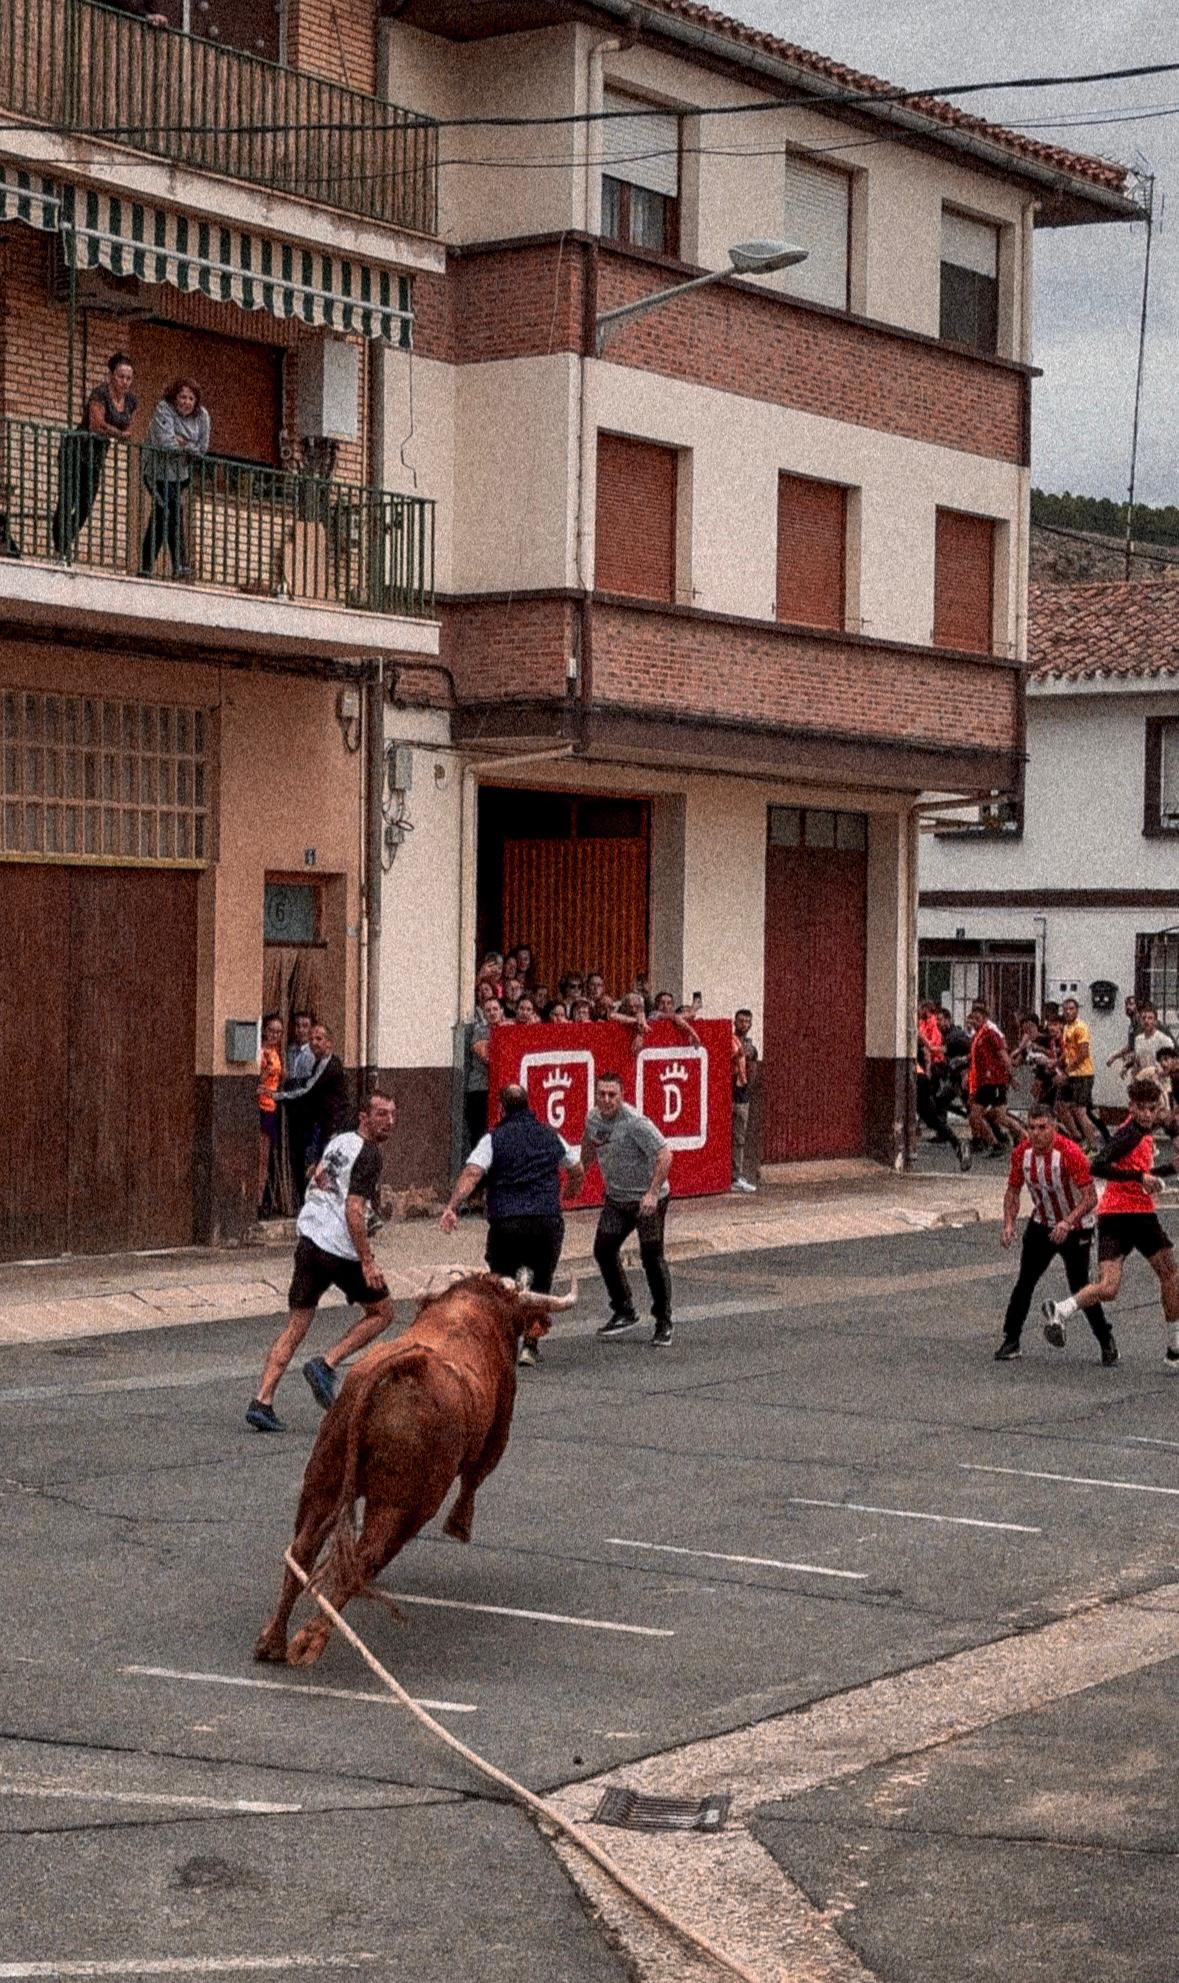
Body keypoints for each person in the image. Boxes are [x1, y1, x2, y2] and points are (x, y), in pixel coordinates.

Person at [246, 1090, 398, 1431]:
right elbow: (353, 1210)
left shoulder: (338, 1142)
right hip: (338, 1247)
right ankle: (327, 1363)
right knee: (384, 1312)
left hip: (309, 1239)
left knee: (297, 1324)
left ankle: (262, 1400)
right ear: (364, 1116)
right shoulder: (369, 1153)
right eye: (381, 1114)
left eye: (391, 1114)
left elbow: (321, 1178)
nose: (389, 1121)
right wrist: (367, 1262)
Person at [1042, 1077, 1179, 1366]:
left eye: (1151, 1109)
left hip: (1112, 1214)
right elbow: (1098, 1165)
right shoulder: (1129, 1133)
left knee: (1109, 1287)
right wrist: (1141, 1178)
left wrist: (1166, 1170)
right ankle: (1174, 1348)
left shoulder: (1141, 1131)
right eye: (1141, 1108)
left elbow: (1136, 1171)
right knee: (1170, 1275)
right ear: (1131, 1107)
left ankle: (1061, 1310)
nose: (1146, 1114)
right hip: (1136, 1213)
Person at [439, 1083, 576, 1368]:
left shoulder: (494, 1139)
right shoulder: (550, 1135)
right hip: (545, 1221)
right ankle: (531, 1345)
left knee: (500, 1281)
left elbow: (472, 1173)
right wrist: (571, 1191)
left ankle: (502, 1342)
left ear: (501, 1107)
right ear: (529, 1105)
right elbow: (576, 1167)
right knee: (542, 1283)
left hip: (507, 1223)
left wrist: (452, 1206)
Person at [994, 1102, 1114, 1364]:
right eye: (1031, 1128)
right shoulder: (1021, 1154)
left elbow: (1090, 1197)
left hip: (1076, 1225)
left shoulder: (1070, 1153)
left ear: (1054, 1127)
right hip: (1042, 1223)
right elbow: (1012, 1191)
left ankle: (1106, 1341)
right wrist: (1009, 1224)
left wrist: (1068, 1223)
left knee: (1079, 1285)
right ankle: (1011, 1339)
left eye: (1042, 1128)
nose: (1036, 1134)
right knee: (1025, 1281)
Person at [572, 1072, 674, 1346]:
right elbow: (588, 1144)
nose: (606, 1100)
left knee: (651, 1256)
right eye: (602, 1094)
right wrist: (580, 1174)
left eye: (612, 1095)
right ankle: (624, 1309)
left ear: (622, 1096)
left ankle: (663, 1320)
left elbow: (665, 1155)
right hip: (617, 1199)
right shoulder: (593, 1118)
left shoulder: (635, 1124)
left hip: (646, 1201)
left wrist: (652, 1193)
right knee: (603, 1250)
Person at [51, 352, 138, 559]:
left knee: (85, 504)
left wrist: (122, 432)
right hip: (75, 450)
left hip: (96, 457)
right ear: (111, 376)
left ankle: (64, 543)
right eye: (120, 376)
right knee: (68, 499)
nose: (124, 382)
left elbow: (129, 426)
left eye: (128, 378)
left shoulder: (131, 401)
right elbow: (95, 424)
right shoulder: (100, 394)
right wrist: (117, 433)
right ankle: (61, 547)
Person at [140, 379, 210, 577]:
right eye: (182, 397)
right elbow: (165, 443)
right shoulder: (164, 410)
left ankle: (146, 568)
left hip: (180, 477)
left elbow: (203, 449)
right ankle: (179, 564)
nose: (186, 402)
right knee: (172, 512)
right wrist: (188, 446)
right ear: (174, 397)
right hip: (157, 475)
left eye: (191, 398)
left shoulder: (202, 416)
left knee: (161, 518)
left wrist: (182, 443)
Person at [274, 1021, 349, 1177]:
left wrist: (276, 1095)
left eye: (319, 1039)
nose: (314, 1043)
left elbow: (307, 1089)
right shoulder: (320, 1063)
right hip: (322, 1124)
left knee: (324, 1169)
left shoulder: (332, 1066)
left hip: (332, 1126)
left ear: (329, 1043)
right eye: (312, 1039)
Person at [966, 1003, 1022, 1155]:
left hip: (995, 1081)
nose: (975, 1022)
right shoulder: (977, 1037)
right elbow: (976, 1060)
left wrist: (1011, 1076)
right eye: (973, 1019)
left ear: (985, 1019)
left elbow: (1003, 1055)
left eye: (978, 1019)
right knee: (976, 1115)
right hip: (984, 1082)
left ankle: (1022, 1136)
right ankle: (994, 1144)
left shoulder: (991, 1033)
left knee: (1000, 1116)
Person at [1057, 996, 1102, 1151]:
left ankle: (1093, 1146)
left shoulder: (1080, 1027)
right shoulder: (1066, 1028)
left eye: (1071, 1009)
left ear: (1077, 1010)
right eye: (1066, 1009)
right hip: (1071, 1074)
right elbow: (1069, 1051)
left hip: (1082, 1074)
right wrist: (1057, 1063)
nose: (1068, 1012)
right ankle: (1076, 1138)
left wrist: (1067, 1071)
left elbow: (1083, 1053)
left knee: (1080, 1111)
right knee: (1061, 1106)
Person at [257, 1013, 283, 1217]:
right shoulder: (262, 1053)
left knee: (266, 1156)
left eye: (278, 1032)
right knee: (260, 1155)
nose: (274, 1035)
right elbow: (260, 1080)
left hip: (271, 1107)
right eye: (271, 1031)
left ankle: (261, 1198)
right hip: (262, 1106)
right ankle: (257, 1200)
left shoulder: (275, 1053)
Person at [731, 1007, 760, 1192]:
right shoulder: (728, 1042)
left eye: (747, 1022)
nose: (744, 1024)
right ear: (735, 1022)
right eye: (741, 1021)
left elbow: (753, 1071)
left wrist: (748, 1090)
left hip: (742, 1095)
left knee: (739, 1138)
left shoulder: (751, 1048)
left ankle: (736, 1175)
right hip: (728, 1093)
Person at [287, 1011, 315, 1084]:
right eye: (297, 1026)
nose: (300, 1030)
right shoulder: (289, 1050)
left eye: (305, 1026)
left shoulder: (314, 1053)